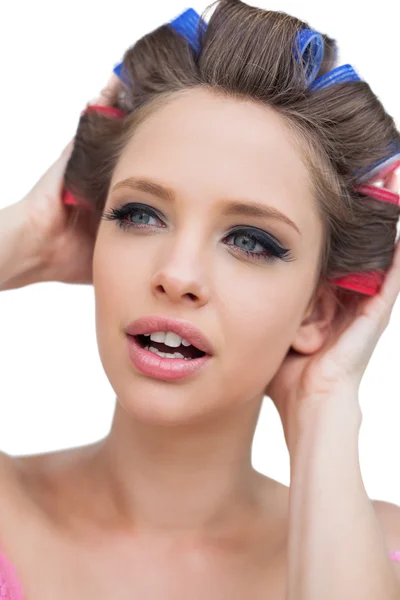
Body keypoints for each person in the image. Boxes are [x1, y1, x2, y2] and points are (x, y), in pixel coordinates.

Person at [0, 1, 400, 598]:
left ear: (318, 310)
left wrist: (325, 409)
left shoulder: (379, 558)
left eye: (250, 240)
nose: (177, 274)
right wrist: (21, 241)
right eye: (139, 213)